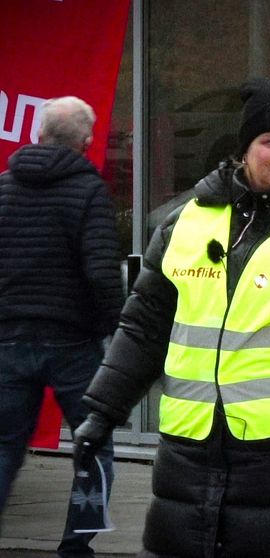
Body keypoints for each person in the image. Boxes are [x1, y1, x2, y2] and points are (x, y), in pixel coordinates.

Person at [73, 78, 270, 558]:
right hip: (187, 457)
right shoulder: (185, 222)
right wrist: (101, 412)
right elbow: (144, 326)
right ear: (244, 150)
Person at [0, 96, 123, 557]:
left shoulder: (4, 188)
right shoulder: (88, 191)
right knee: (94, 447)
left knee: (5, 446)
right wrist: (118, 328)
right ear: (87, 142)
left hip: (8, 338)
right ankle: (76, 547)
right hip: (73, 343)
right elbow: (100, 270)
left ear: (37, 134)